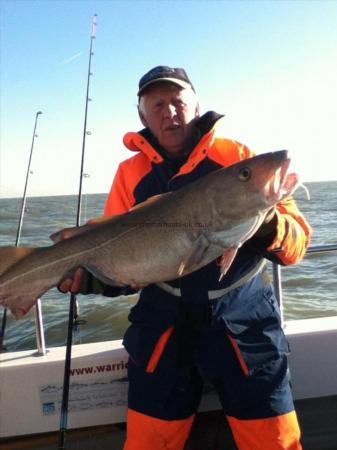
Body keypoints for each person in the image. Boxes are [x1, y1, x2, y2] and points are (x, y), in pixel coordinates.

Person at [59, 66, 312, 450]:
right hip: (162, 324)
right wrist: (93, 278)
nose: (169, 112)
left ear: (196, 106)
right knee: (148, 444)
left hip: (244, 321)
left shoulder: (239, 157)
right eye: (157, 104)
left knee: (275, 442)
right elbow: (115, 254)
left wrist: (266, 225)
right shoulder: (130, 174)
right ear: (142, 115)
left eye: (178, 101)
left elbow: (297, 245)